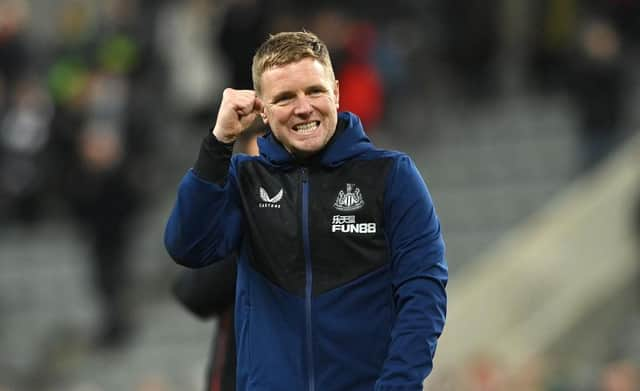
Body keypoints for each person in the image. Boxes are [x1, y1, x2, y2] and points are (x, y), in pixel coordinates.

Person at [164, 31, 448, 390]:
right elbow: (186, 246)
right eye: (284, 97)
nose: (303, 107)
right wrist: (219, 142)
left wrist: (397, 386)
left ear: (336, 93)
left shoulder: (391, 175)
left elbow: (424, 292)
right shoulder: (244, 180)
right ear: (263, 112)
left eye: (314, 91)